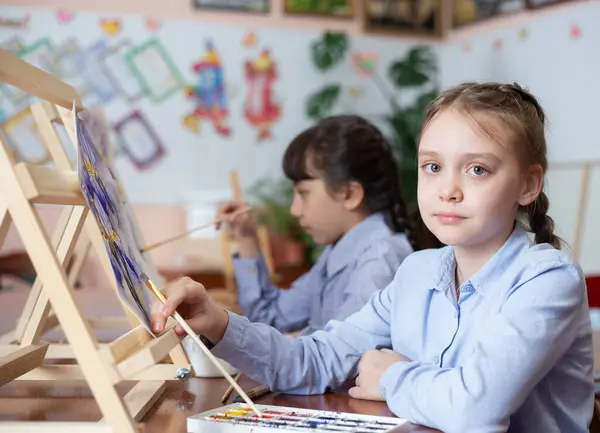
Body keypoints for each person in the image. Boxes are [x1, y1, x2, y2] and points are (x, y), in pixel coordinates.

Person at [151, 83, 595, 432]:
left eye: (477, 169)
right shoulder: (416, 273)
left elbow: (474, 411)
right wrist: (218, 322)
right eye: (433, 167)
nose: (448, 189)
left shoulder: (548, 278)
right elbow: (314, 361)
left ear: (528, 185)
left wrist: (391, 378)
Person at [214, 115, 417, 335]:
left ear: (349, 193)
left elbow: (340, 355)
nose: (295, 210)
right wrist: (246, 237)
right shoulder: (338, 251)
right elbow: (270, 316)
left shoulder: (378, 260)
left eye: (303, 193)